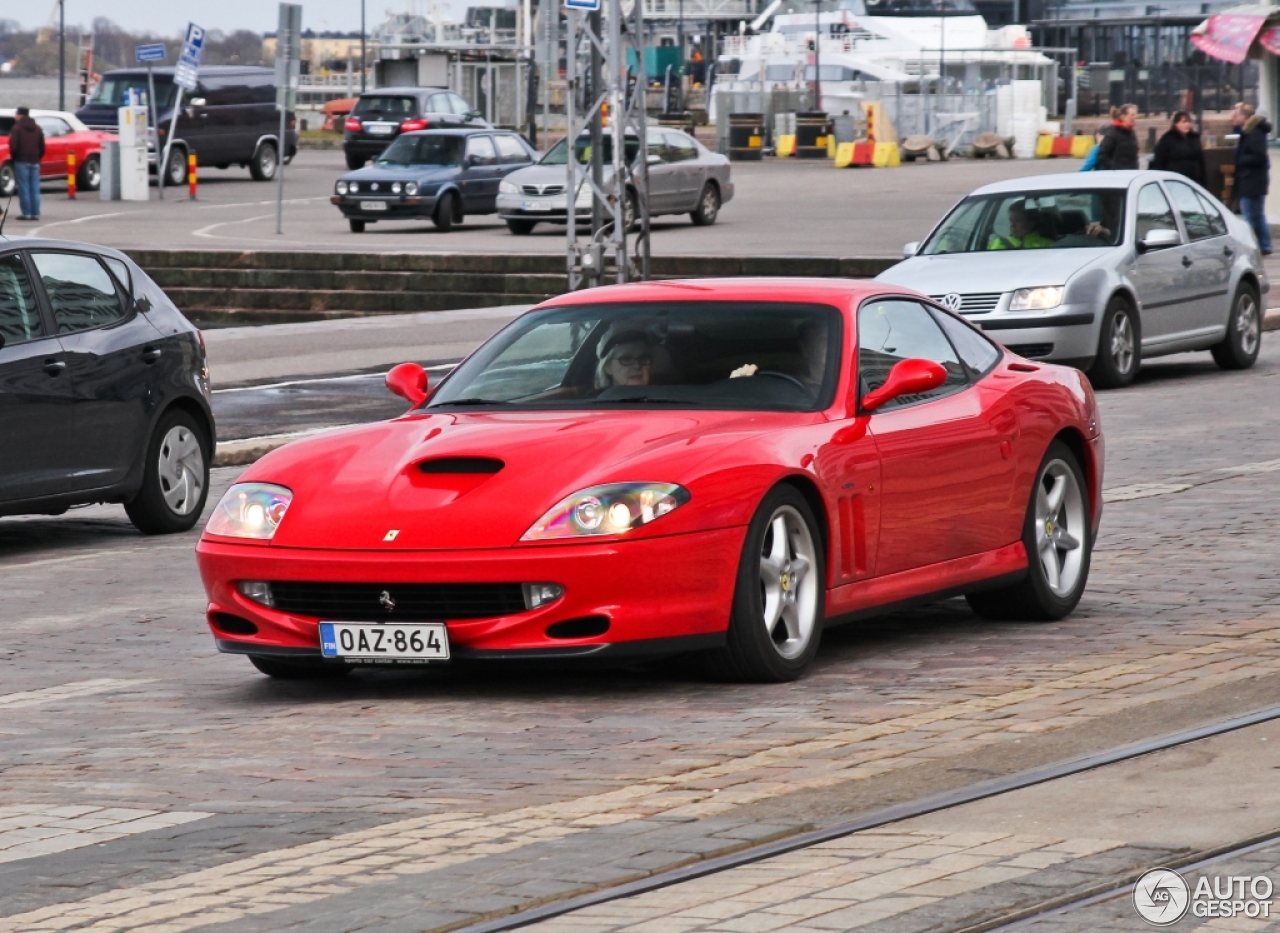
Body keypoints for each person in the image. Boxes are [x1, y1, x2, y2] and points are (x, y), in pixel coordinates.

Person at [1234, 104, 1272, 255]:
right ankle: (1264, 244)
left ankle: (1253, 245)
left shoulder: (1253, 133)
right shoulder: (1253, 132)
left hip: (1251, 179)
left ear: (1244, 117)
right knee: (1257, 213)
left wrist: (1241, 160)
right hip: (1254, 179)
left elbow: (1259, 157)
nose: (1235, 117)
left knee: (1250, 215)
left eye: (1237, 115)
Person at [8, 106, 44, 221]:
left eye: (16, 114)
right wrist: (38, 157)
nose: (15, 116)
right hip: (35, 160)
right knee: (35, 187)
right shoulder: (37, 128)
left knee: (24, 187)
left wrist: (14, 157)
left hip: (21, 160)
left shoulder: (17, 128)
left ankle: (26, 213)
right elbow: (42, 146)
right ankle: (35, 213)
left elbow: (14, 146)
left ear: (20, 115)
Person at [1151, 111, 1205, 184]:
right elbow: (1159, 161)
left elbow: (1201, 161)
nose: (1187, 124)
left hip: (1194, 180)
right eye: (1183, 122)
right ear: (1176, 124)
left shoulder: (1194, 138)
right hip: (1175, 180)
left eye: (1188, 122)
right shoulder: (1167, 139)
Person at [988, 200, 1054, 250]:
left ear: (1031, 223)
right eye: (1011, 220)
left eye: (1018, 220)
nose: (1012, 225)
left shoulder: (1048, 245)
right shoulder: (997, 243)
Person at [1096, 103, 1139, 171]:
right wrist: (1115, 168)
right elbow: (1102, 156)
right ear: (1123, 117)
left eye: (1135, 115)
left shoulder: (1132, 133)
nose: (1134, 118)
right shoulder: (1112, 133)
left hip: (1131, 174)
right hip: (1117, 175)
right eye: (1132, 115)